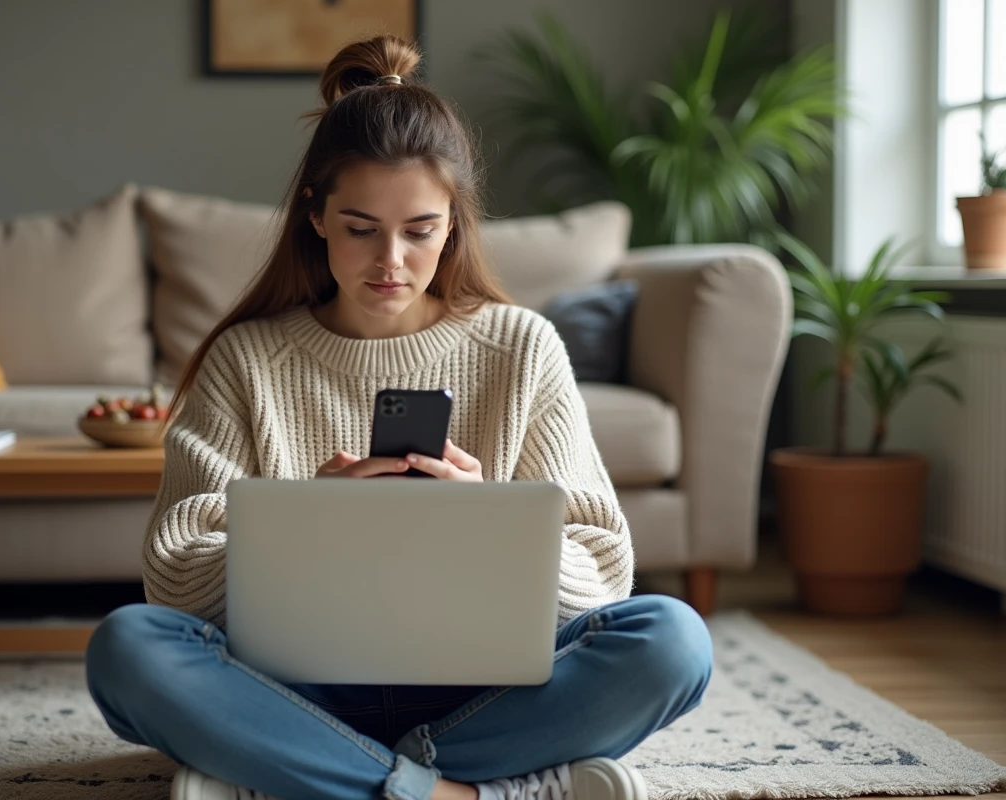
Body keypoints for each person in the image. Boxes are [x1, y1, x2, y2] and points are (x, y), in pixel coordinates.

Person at [85, 34, 712, 800]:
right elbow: (174, 577)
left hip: (482, 691)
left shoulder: (521, 346)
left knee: (674, 641)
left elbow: (606, 571)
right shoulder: (247, 360)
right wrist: (305, 520)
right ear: (314, 216)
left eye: (419, 231)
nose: (391, 261)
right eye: (360, 228)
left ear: (454, 223)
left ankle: (295, 774)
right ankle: (464, 791)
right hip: (299, 685)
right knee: (127, 648)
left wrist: (490, 522)